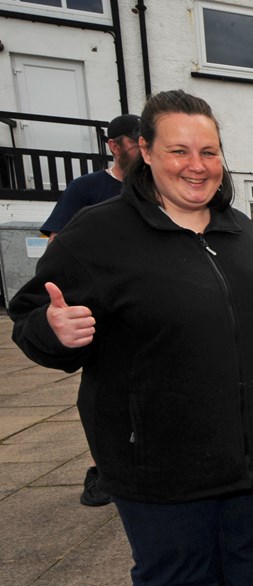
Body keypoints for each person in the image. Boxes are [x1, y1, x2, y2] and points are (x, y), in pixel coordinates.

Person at [10, 90, 253, 586]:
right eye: (180, 151)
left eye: (210, 151)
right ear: (145, 155)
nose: (197, 165)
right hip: (155, 455)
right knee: (176, 574)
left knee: (248, 561)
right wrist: (53, 331)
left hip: (251, 453)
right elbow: (28, 316)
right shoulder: (100, 234)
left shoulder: (241, 232)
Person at [40, 112, 141, 508]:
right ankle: (101, 467)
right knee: (101, 394)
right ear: (114, 146)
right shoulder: (89, 188)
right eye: (133, 141)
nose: (140, 147)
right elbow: (58, 245)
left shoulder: (153, 189)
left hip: (144, 304)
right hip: (102, 309)